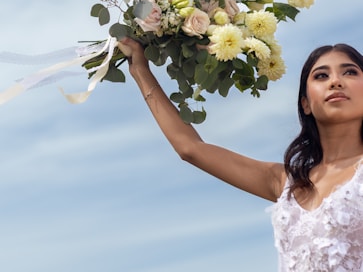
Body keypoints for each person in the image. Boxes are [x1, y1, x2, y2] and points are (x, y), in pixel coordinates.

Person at [119, 38, 363, 271]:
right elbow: (190, 148)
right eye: (321, 75)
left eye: (350, 72)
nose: (335, 81)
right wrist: (140, 69)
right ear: (305, 104)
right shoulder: (285, 183)